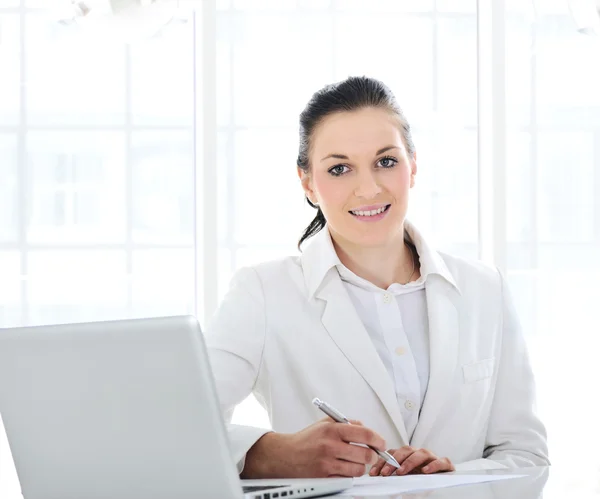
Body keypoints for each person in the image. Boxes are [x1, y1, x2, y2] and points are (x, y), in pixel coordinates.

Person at [205, 76, 549, 479]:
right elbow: (179, 427)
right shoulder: (263, 293)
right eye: (339, 169)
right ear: (308, 184)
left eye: (386, 162)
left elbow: (526, 457)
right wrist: (271, 454)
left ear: (413, 166)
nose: (368, 189)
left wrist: (451, 480)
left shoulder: (484, 289)